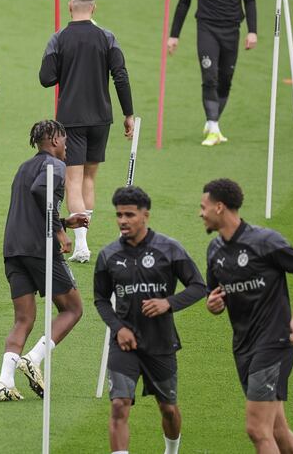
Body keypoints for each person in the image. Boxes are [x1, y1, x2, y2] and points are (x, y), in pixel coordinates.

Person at [201, 178, 293, 453]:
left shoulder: (265, 242)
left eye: (203, 207)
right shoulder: (214, 251)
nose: (200, 213)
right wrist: (213, 305)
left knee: (257, 430)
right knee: (278, 430)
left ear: (219, 207)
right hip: (244, 347)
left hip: (274, 342)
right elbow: (214, 296)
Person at [94, 186, 206, 454]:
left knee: (167, 408)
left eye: (129, 214)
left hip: (160, 342)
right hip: (124, 344)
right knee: (119, 404)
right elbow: (100, 299)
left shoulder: (169, 249)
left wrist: (168, 303)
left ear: (145, 215)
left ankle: (171, 451)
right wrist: (118, 328)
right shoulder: (108, 255)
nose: (123, 220)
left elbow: (198, 286)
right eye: (119, 214)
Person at [40, 0, 134, 264]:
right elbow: (121, 76)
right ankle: (83, 241)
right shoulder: (107, 37)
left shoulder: (58, 38)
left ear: (70, 7)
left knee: (73, 181)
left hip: (70, 119)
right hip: (101, 117)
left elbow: (46, 78)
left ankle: (81, 245)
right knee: (90, 179)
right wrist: (128, 114)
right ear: (93, 7)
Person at [0, 120, 86, 401]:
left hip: (13, 249)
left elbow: (32, 206)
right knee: (73, 309)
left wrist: (65, 222)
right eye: (65, 139)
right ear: (55, 140)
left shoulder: (24, 167)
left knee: (24, 318)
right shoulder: (55, 167)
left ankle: (4, 382)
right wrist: (60, 232)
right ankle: (33, 358)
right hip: (39, 248)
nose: (67, 145)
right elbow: (41, 191)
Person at [167, 0, 257, 146]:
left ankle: (213, 121)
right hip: (206, 28)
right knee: (210, 76)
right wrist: (173, 35)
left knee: (225, 80)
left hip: (232, 29)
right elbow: (183, 3)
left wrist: (252, 31)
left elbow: (250, 0)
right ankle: (213, 127)